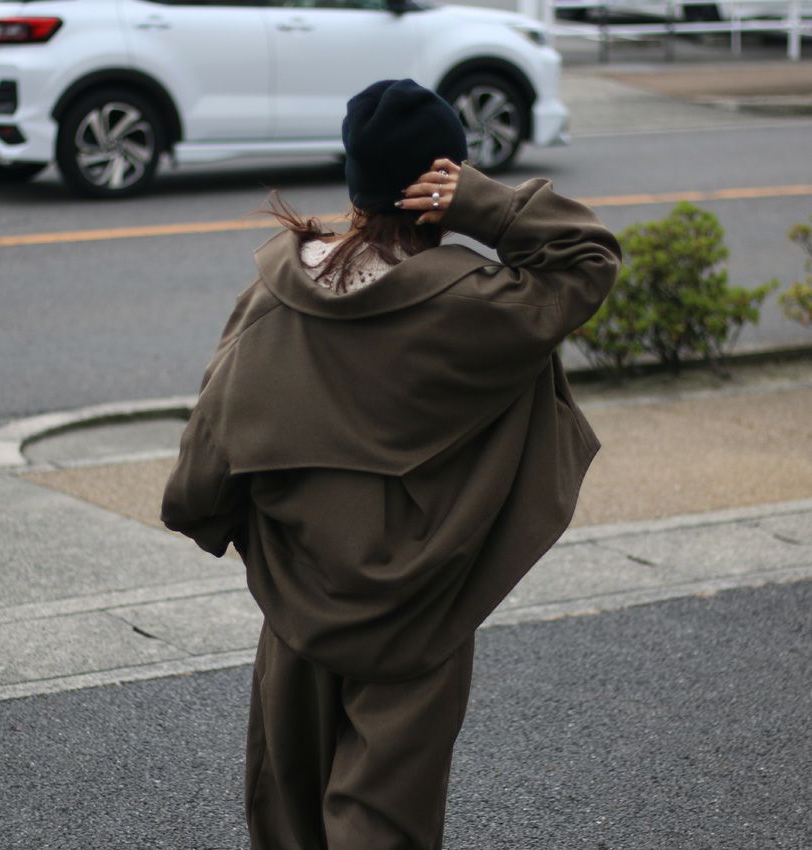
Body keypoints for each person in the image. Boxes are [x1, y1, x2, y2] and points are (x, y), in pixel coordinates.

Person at [161, 78, 621, 850]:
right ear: (442, 183)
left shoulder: (276, 298)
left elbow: (202, 464)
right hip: (425, 607)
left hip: (299, 599)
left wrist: (236, 533)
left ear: (357, 182)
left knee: (288, 810)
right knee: (384, 824)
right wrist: (486, 204)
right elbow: (587, 259)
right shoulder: (480, 305)